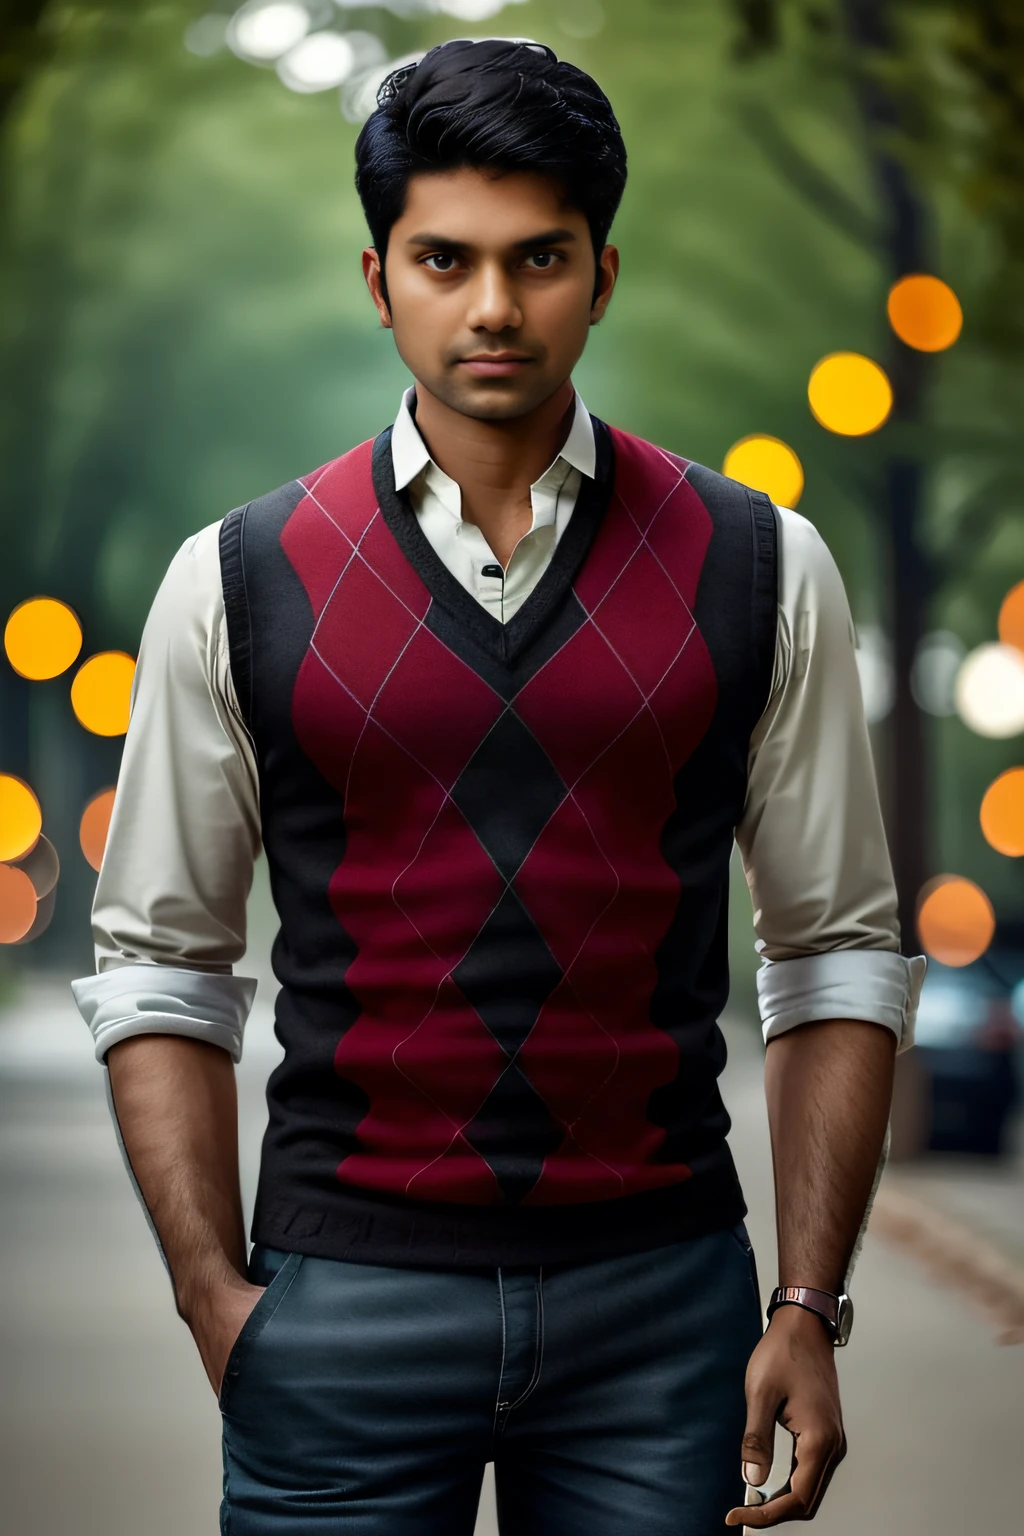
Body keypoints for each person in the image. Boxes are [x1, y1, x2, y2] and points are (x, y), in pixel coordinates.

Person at [72, 38, 923, 1536]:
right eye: (443, 258)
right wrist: (219, 1304)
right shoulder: (237, 581)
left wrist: (808, 1303)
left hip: (666, 1316)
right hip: (342, 1298)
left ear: (601, 275)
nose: (490, 307)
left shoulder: (762, 566)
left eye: (537, 259)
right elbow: (159, 964)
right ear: (376, 274)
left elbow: (835, 950)